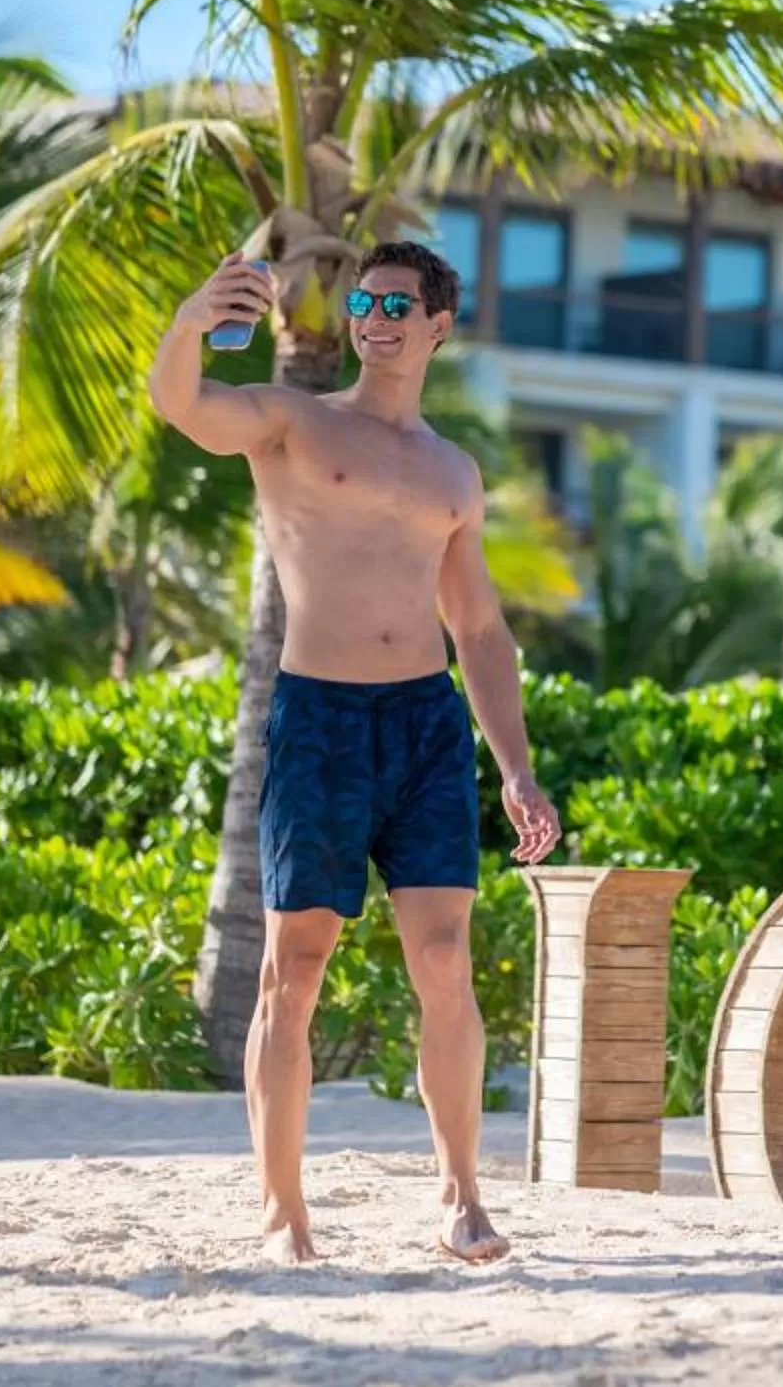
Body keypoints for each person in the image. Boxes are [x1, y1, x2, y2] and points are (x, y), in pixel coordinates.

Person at [150, 240, 561, 1266]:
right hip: (320, 720)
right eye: (364, 298)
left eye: (397, 302)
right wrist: (193, 320)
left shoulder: (453, 471)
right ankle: (285, 1213)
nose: (375, 314)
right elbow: (184, 406)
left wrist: (514, 764)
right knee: (296, 966)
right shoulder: (296, 419)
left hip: (424, 723)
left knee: (443, 957)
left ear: (437, 325)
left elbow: (481, 630)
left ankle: (463, 1196)